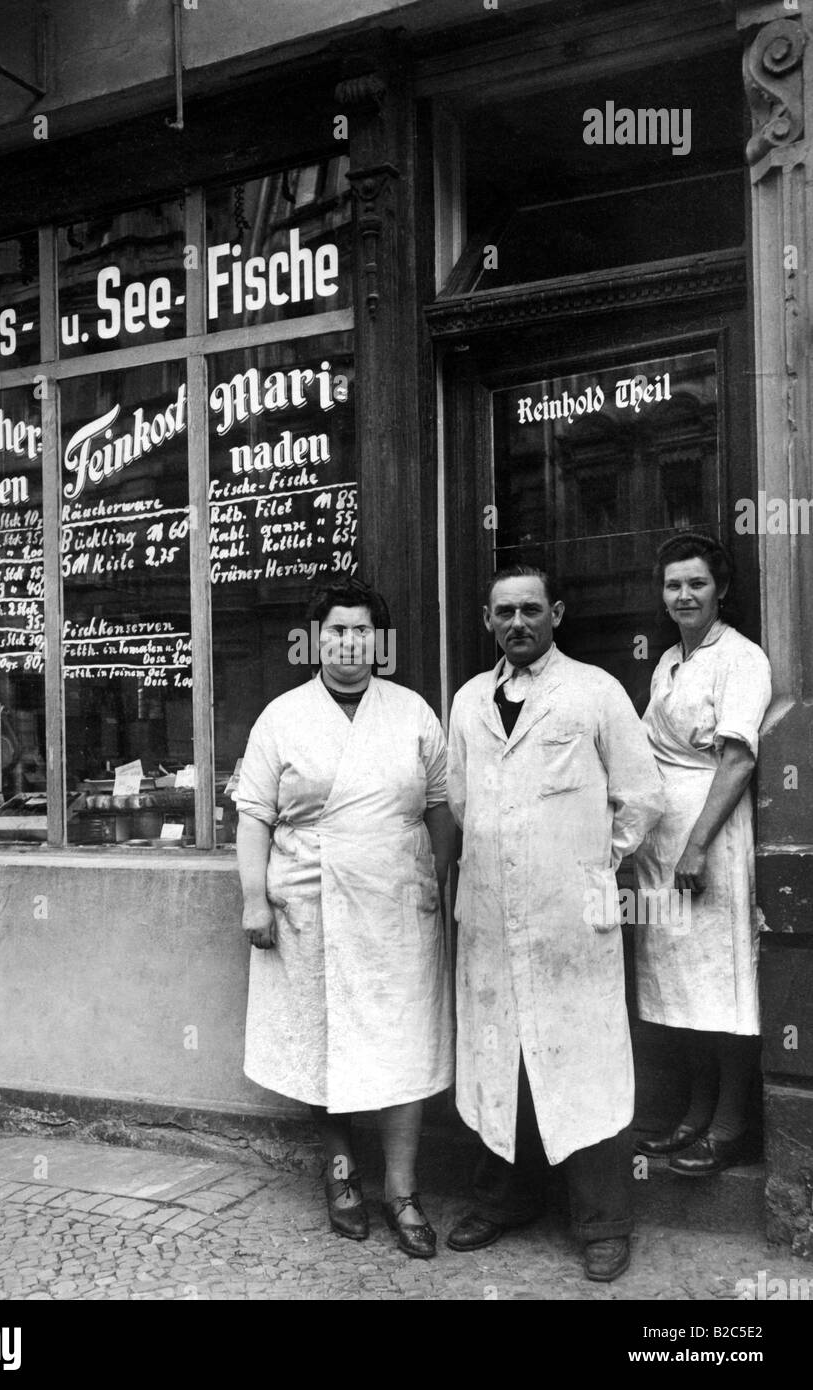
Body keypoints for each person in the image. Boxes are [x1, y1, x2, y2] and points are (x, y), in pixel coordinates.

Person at [445, 565, 663, 1282]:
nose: (517, 623)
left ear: (556, 614)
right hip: (488, 912)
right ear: (486, 619)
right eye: (503, 611)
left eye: (530, 610)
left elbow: (640, 796)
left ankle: (603, 1222)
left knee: (583, 1061)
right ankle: (504, 1200)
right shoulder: (470, 699)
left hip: (571, 915)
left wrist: (593, 863)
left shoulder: (593, 691)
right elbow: (460, 802)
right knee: (498, 1054)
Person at [235, 576, 455, 1258]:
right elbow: (253, 816)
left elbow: (441, 810)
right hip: (311, 905)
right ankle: (339, 1173)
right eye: (336, 630)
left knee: (403, 1044)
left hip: (397, 908)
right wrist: (253, 897)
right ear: (314, 639)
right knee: (322, 1038)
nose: (349, 642)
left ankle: (403, 1189)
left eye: (361, 630)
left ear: (377, 640)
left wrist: (433, 882)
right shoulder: (282, 717)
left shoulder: (412, 712)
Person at [634, 532, 772, 1176]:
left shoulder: (740, 658)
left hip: (709, 837)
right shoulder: (667, 662)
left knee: (722, 983)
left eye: (696, 583)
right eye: (673, 585)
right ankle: (693, 1115)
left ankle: (730, 1124)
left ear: (721, 590)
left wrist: (696, 845)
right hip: (664, 844)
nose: (684, 595)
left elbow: (738, 757)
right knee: (681, 989)